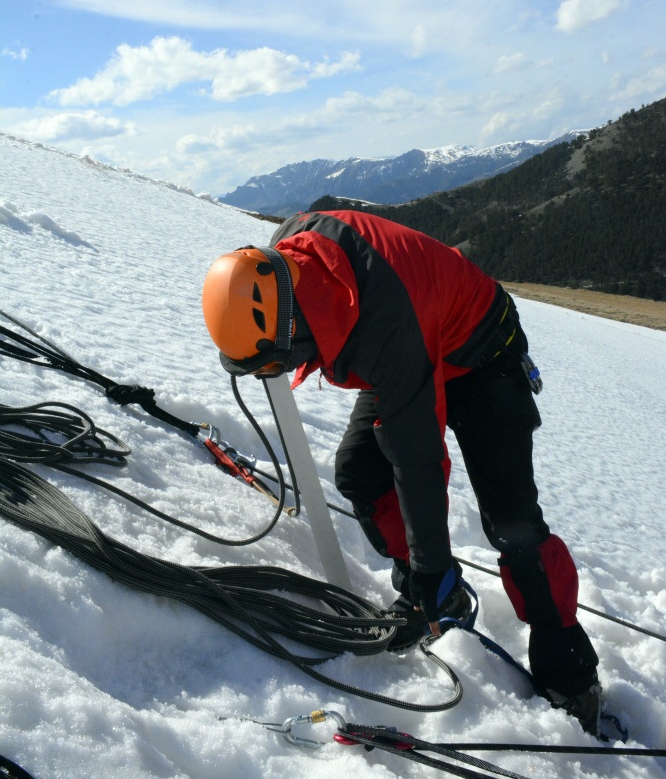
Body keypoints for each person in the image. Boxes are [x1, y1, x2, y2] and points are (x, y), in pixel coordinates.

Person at [202, 209, 601, 735]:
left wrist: (433, 564)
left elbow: (417, 460)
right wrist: (427, 574)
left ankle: (571, 674)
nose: (278, 373)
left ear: (293, 328)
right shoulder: (286, 267)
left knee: (514, 525)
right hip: (416, 336)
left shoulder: (385, 322)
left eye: (277, 361)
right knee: (359, 474)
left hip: (483, 355)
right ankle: (430, 596)